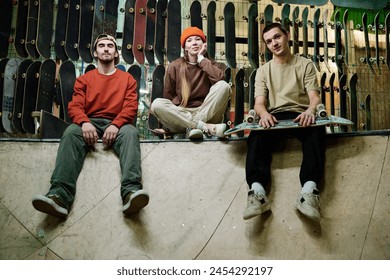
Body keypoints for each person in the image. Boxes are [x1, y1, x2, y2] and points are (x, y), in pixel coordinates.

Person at [32, 34, 149, 219]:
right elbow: (75, 106)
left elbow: (130, 107)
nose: (106, 48)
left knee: (131, 132)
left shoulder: (127, 79)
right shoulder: (85, 80)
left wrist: (116, 125)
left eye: (110, 46)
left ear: (116, 52)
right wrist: (85, 122)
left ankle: (130, 193)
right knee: (71, 132)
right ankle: (59, 196)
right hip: (90, 121)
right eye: (101, 46)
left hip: (117, 123)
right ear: (95, 52)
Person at [243, 23, 325, 221]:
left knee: (317, 132)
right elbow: (259, 103)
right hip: (275, 116)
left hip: (300, 114)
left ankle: (308, 193)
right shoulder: (263, 71)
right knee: (256, 136)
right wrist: (263, 115)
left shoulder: (305, 64)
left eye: (277, 37)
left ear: (287, 36)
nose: (274, 43)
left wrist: (310, 110)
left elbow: (314, 97)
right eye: (269, 41)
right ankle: (257, 194)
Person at [150, 27, 231, 140]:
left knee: (224, 86)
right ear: (185, 47)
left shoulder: (212, 65)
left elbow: (220, 79)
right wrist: (165, 127)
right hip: (182, 117)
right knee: (157, 104)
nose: (194, 43)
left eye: (198, 39)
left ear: (203, 44)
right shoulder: (175, 66)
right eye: (189, 40)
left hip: (208, 113)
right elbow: (168, 97)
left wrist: (202, 59)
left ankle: (196, 126)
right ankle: (202, 127)